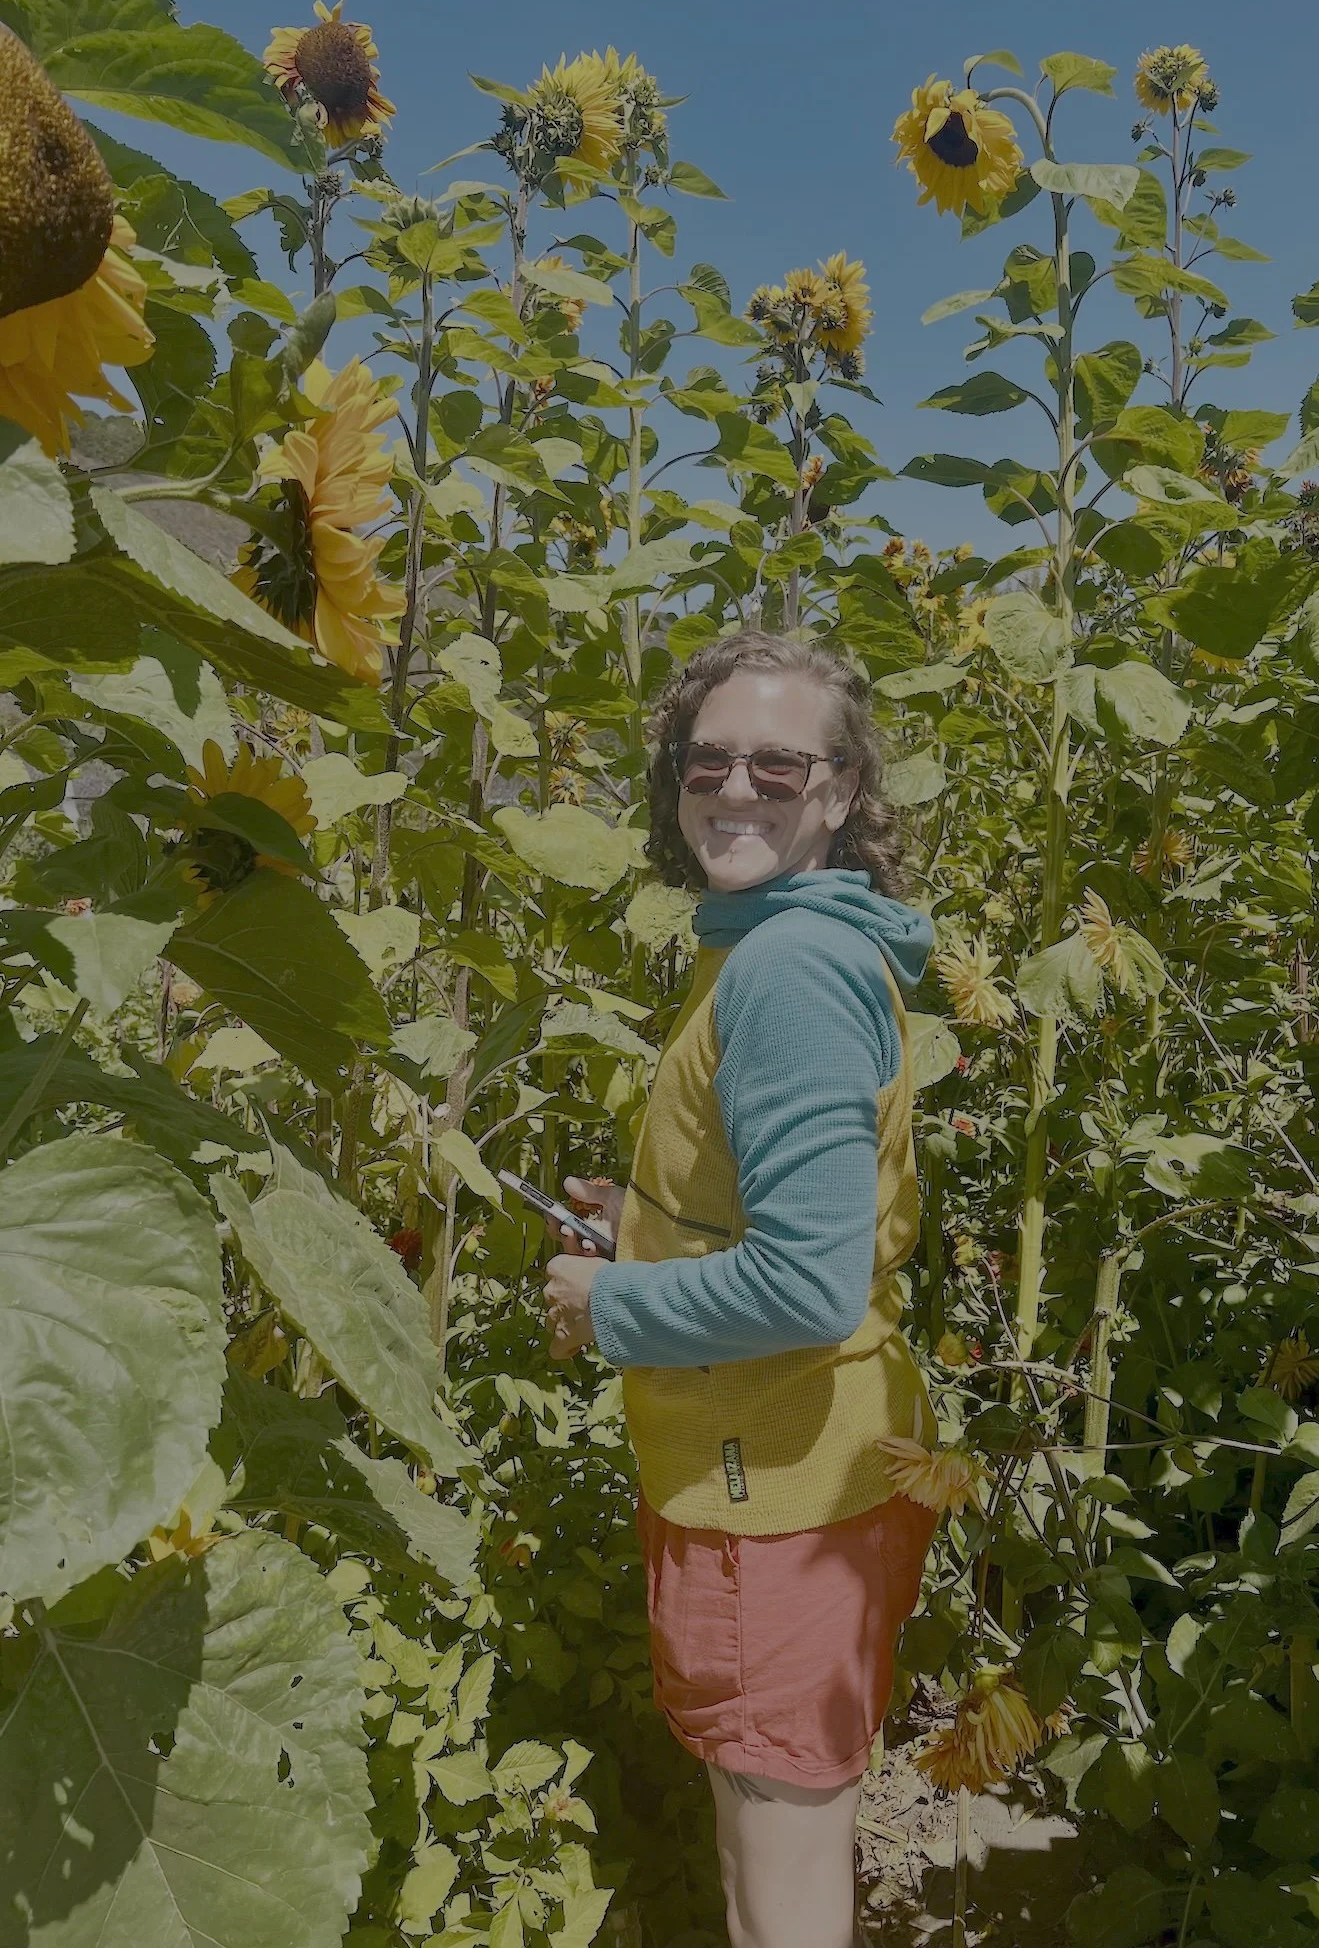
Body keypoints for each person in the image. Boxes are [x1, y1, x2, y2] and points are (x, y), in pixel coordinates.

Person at [543, 631, 939, 1948]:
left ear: (839, 792)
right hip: (796, 1464)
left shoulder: (782, 974)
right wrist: (644, 1222)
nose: (736, 784)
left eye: (780, 761)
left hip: (770, 1489)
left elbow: (810, 1279)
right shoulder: (790, 945)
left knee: (781, 1890)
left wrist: (615, 1310)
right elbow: (793, 1202)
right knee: (767, 1839)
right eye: (707, 758)